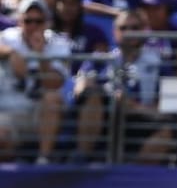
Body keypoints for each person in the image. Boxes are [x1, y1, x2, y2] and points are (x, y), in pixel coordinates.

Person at [71, 9, 170, 164]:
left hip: (140, 118)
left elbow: (168, 108)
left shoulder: (159, 63)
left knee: (166, 133)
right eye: (123, 28)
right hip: (105, 116)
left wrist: (133, 107)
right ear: (115, 32)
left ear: (144, 31)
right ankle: (81, 162)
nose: (129, 32)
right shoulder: (102, 59)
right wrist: (107, 94)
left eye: (135, 28)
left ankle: (132, 179)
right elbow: (80, 87)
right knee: (92, 98)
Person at [0, 0, 69, 163]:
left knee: (52, 98)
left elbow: (55, 83)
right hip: (11, 113)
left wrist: (40, 57)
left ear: (46, 22)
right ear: (19, 21)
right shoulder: (8, 38)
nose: (33, 26)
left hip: (41, 115)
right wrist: (10, 53)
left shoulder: (59, 43)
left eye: (38, 21)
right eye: (28, 21)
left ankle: (43, 160)